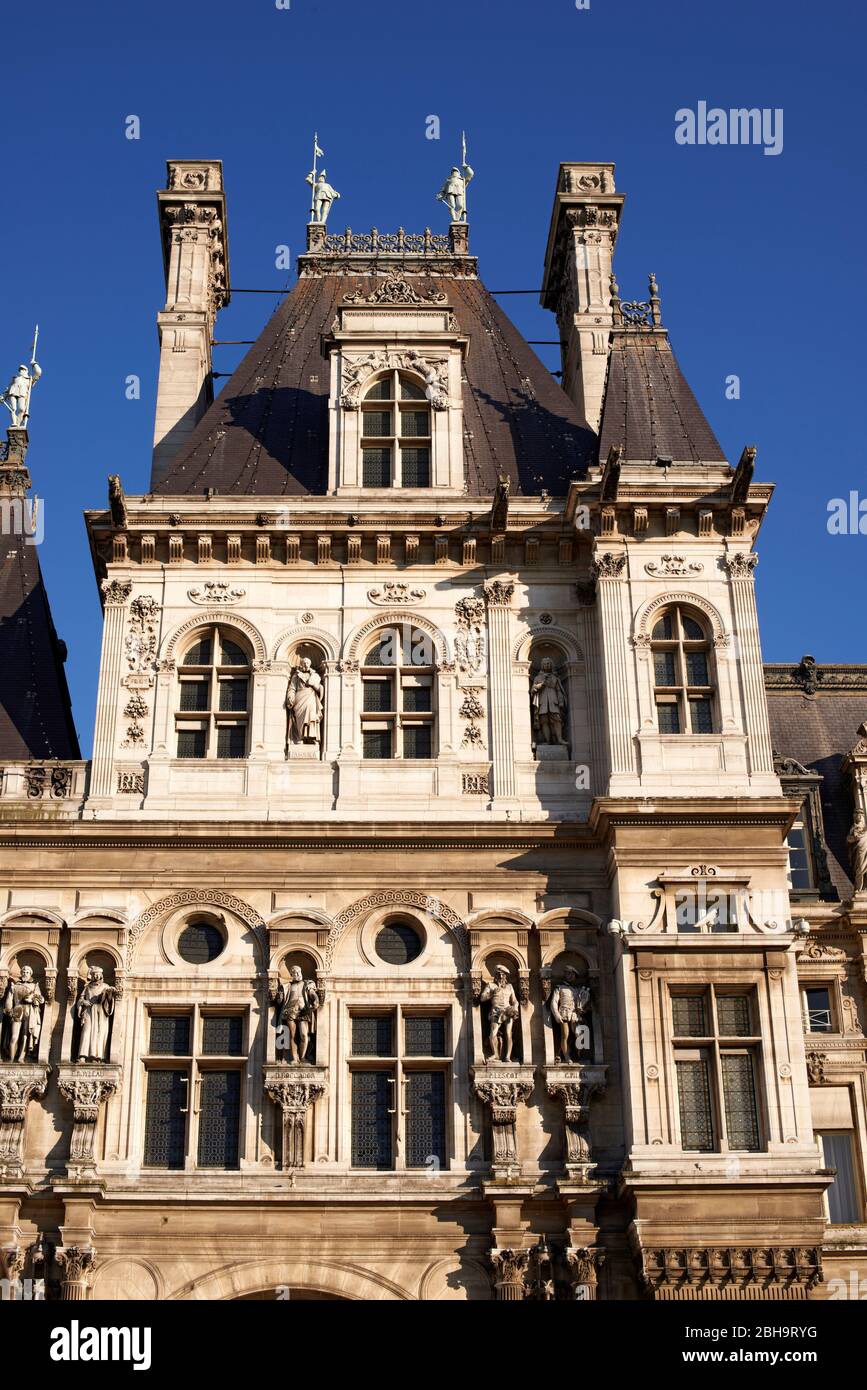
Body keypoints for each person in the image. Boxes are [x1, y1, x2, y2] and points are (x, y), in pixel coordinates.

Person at [277, 966, 319, 1063]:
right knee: (292, 1035)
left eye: (298, 972)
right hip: (290, 1011)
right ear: (291, 975)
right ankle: (294, 1058)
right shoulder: (288, 986)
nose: (297, 974)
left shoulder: (307, 984)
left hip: (303, 1011)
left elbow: (312, 993)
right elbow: (280, 1001)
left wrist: (316, 1000)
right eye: (295, 973)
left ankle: (303, 1057)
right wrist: (279, 996)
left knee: (304, 1035)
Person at [2, 964, 44, 1061]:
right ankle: (11, 1059)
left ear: (30, 974)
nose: (25, 973)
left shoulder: (34, 986)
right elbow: (9, 1001)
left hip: (29, 1011)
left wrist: (33, 999)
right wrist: (9, 1010)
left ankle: (21, 1057)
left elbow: (41, 1000)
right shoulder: (14, 986)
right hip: (17, 1010)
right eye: (24, 972)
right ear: (21, 973)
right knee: (14, 1036)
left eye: (27, 972)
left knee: (25, 1036)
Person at [76, 965, 116, 1062]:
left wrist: (109, 994)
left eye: (98, 974)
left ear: (101, 975)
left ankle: (97, 1056)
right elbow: (81, 999)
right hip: (89, 1011)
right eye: (95, 974)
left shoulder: (105, 986)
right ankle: (83, 1055)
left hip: (101, 1012)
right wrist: (83, 1002)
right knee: (86, 1032)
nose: (96, 976)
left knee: (99, 1033)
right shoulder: (87, 987)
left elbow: (109, 1001)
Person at [550, 968, 591, 1063]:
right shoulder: (559, 987)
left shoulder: (578, 989)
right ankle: (566, 1056)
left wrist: (583, 1009)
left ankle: (579, 1054)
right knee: (565, 1035)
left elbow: (583, 1003)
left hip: (575, 1015)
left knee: (580, 1035)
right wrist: (556, 1015)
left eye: (572, 974)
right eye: (568, 974)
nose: (570, 976)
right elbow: (554, 1002)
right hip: (564, 1014)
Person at [480, 965, 519, 1062]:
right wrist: (492, 993)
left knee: (508, 1034)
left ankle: (507, 1056)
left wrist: (515, 1008)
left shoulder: (509, 987)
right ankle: (495, 1054)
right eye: (499, 974)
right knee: (493, 1034)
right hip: (496, 1011)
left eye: (503, 975)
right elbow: (482, 998)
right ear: (496, 975)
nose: (501, 977)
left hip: (508, 1011)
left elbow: (514, 1001)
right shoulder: (491, 985)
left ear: (505, 976)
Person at [286, 657, 323, 746]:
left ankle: (311, 737)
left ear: (310, 664)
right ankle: (299, 737)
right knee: (299, 718)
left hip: (311, 697)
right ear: (301, 664)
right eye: (304, 663)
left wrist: (314, 685)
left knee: (312, 716)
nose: (305, 664)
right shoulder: (296, 676)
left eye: (307, 663)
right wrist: (290, 696)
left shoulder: (315, 676)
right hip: (299, 698)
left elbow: (319, 689)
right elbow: (292, 688)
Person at [531, 657, 568, 746]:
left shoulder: (555, 677)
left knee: (557, 719)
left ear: (551, 665)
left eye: (548, 663)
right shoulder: (538, 677)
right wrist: (541, 684)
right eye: (545, 664)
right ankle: (547, 741)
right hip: (542, 702)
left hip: (553, 701)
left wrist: (561, 701)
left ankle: (559, 739)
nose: (547, 665)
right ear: (542, 665)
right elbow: (533, 689)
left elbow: (559, 690)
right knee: (544, 721)